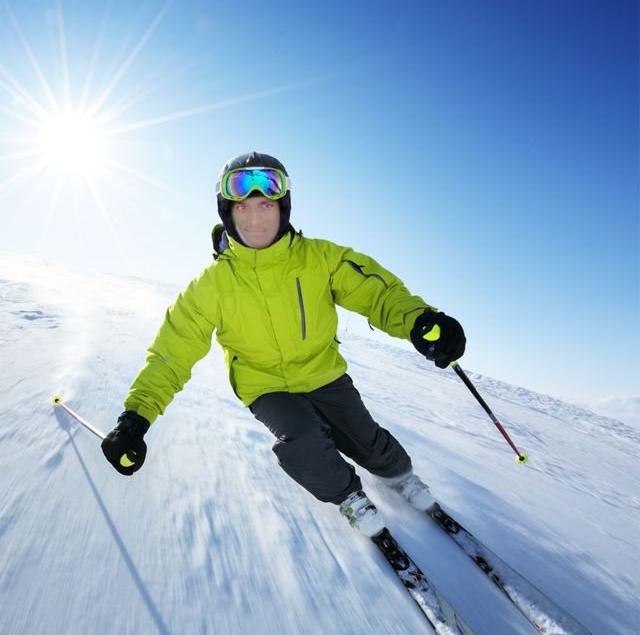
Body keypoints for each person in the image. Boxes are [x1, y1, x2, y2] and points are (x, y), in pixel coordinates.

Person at [101, 152, 466, 538]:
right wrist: (135, 419)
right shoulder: (210, 287)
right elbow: (172, 353)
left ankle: (401, 478)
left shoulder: (320, 258)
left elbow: (377, 293)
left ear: (283, 207)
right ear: (227, 212)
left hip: (324, 373)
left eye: (266, 205)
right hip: (265, 385)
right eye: (242, 207)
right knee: (304, 440)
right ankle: (349, 497)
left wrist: (420, 321)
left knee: (368, 443)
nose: (255, 219)